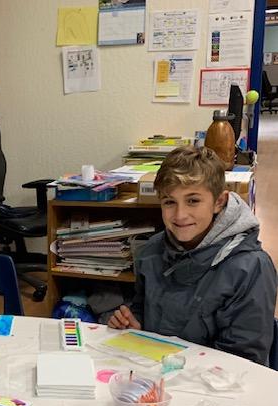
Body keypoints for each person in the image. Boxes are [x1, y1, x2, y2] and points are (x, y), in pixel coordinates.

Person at [108, 146, 276, 365]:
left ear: (219, 202)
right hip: (157, 371)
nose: (180, 215)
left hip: (214, 380)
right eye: (169, 202)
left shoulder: (251, 268)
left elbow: (242, 359)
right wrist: (135, 325)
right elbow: (142, 308)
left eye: (193, 200)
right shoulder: (151, 251)